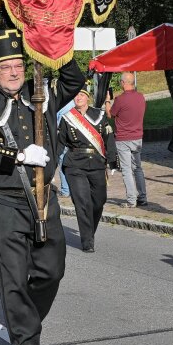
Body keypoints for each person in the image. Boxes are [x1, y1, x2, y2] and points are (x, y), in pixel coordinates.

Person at [0, 29, 83, 345]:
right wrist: (18, 155)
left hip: (44, 198)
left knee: (51, 270)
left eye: (18, 65)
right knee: (13, 278)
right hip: (3, 201)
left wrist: (52, 43)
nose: (14, 72)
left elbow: (74, 78)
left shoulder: (40, 92)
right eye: (6, 67)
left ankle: (24, 318)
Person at [60, 83, 117, 252]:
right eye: (76, 95)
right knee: (82, 201)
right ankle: (87, 241)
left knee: (99, 201)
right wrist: (47, 163)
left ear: (88, 97)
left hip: (97, 163)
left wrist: (112, 161)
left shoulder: (99, 115)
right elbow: (59, 143)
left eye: (82, 95)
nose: (78, 98)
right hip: (75, 164)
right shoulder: (67, 118)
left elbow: (109, 139)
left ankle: (89, 231)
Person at [111, 72, 148, 207]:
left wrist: (107, 101)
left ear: (123, 83)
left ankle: (131, 200)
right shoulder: (141, 97)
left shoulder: (120, 99)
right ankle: (142, 197)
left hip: (123, 138)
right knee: (137, 168)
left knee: (126, 170)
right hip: (138, 137)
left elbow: (111, 114)